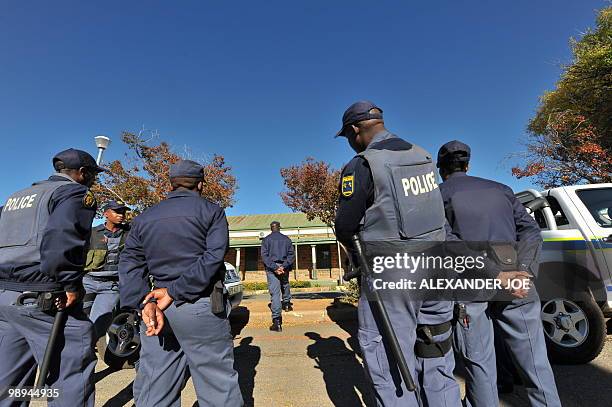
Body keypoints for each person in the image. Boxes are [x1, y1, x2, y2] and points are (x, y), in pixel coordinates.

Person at [334, 101, 461, 406]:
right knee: (436, 349)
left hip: (393, 272)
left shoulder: (364, 164)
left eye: (349, 137)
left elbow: (345, 225)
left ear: (355, 130)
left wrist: (357, 255)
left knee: (390, 359)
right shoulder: (423, 156)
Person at [437, 140, 561, 407]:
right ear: (467, 165)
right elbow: (530, 231)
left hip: (470, 285)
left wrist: (493, 272)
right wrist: (524, 269)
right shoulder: (502, 190)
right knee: (535, 362)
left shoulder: (439, 195)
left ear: (441, 169)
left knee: (479, 363)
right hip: (516, 279)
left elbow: (448, 242)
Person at [119, 159, 242, 407]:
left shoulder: (145, 218)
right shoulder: (212, 211)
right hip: (199, 303)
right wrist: (175, 291)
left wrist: (143, 303)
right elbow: (213, 257)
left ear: (172, 185)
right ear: (201, 184)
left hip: (155, 309)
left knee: (157, 382)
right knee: (216, 383)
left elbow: (129, 262)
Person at [0, 148, 104, 407]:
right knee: (71, 371)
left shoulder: (17, 197)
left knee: (10, 378)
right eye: (92, 175)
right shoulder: (74, 193)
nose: (94, 181)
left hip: (7, 295)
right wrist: (68, 283)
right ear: (81, 173)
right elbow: (63, 239)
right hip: (43, 295)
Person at [83, 199, 130, 340]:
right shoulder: (92, 233)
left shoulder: (130, 233)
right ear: (106, 214)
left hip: (111, 286)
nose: (121, 215)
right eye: (117, 211)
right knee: (78, 320)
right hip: (87, 282)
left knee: (98, 325)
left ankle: (88, 350)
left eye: (123, 212)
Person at [261, 221, 295, 332]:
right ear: (279, 228)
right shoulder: (287, 239)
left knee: (275, 293)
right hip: (284, 267)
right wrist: (283, 266)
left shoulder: (266, 240)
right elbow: (291, 255)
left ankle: (277, 321)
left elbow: (264, 256)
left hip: (272, 268)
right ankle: (287, 304)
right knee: (285, 284)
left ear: (271, 228)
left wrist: (275, 267)